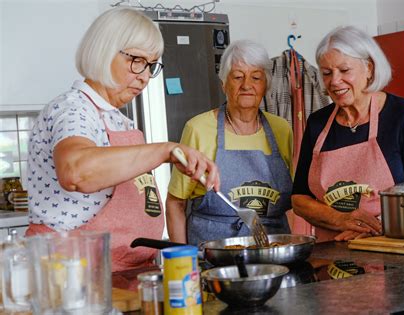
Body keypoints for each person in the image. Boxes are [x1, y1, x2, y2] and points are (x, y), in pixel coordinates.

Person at [26, 7, 219, 272]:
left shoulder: (119, 120)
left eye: (151, 65)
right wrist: (165, 150)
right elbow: (76, 171)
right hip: (72, 271)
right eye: (136, 60)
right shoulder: (73, 108)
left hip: (122, 270)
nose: (143, 76)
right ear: (104, 51)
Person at [292, 26, 404, 242]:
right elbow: (299, 200)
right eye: (327, 73)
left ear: (369, 68)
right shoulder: (318, 123)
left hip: (393, 248)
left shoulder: (402, 114)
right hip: (331, 254)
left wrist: (374, 227)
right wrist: (341, 219)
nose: (335, 81)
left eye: (344, 70)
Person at [166, 39, 293, 245]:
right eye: (238, 77)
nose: (247, 85)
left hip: (273, 253)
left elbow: (294, 201)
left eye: (256, 77)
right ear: (223, 83)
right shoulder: (198, 129)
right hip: (213, 257)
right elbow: (175, 203)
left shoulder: (282, 129)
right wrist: (185, 260)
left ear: (266, 84)